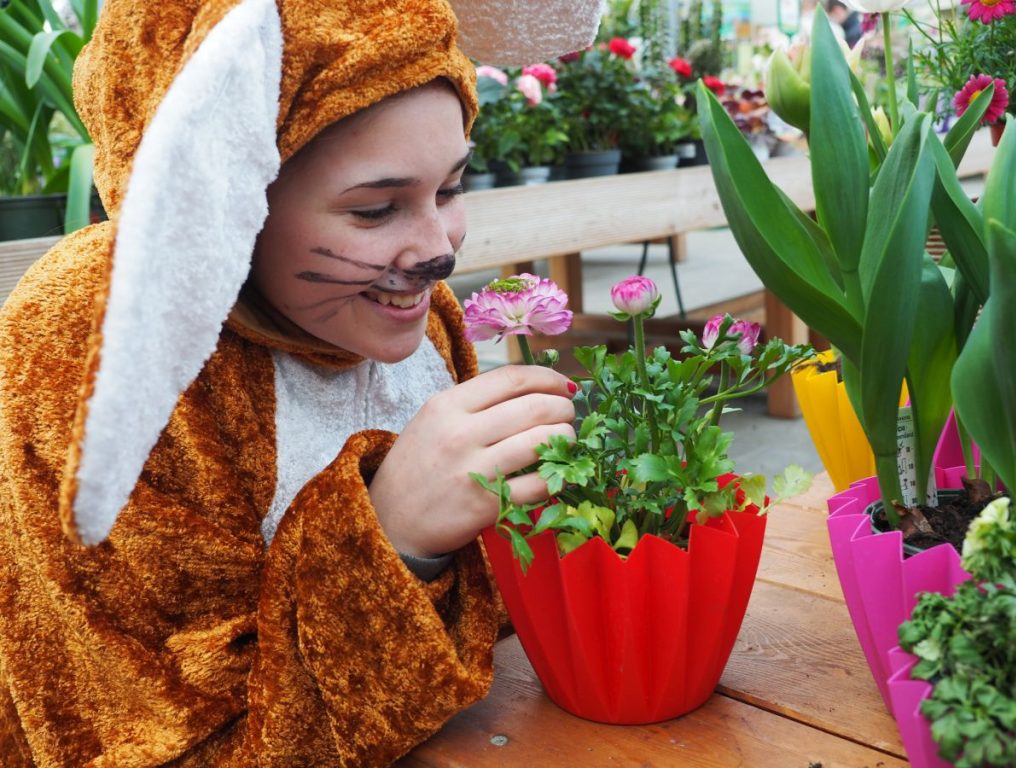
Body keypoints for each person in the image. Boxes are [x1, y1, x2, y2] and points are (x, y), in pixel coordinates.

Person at [0, 0, 603, 764]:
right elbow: (157, 737)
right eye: (377, 208)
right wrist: (391, 542)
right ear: (228, 203)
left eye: (450, 189)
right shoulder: (97, 354)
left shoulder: (416, 316)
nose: (438, 251)